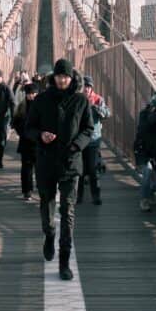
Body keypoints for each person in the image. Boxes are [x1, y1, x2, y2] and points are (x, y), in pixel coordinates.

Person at [25, 58, 93, 281]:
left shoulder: (81, 101)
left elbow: (88, 129)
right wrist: (40, 135)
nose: (63, 80)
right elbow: (29, 128)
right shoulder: (42, 100)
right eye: (59, 76)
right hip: (46, 161)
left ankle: (64, 262)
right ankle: (49, 233)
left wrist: (76, 145)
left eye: (66, 76)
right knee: (46, 204)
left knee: (68, 211)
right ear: (53, 77)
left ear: (71, 77)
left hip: (70, 163)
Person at [76, 74, 109, 206]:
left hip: (93, 140)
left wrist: (98, 109)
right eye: (85, 86)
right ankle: (78, 197)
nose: (86, 89)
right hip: (79, 139)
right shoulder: (77, 99)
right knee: (79, 170)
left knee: (93, 169)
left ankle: (96, 196)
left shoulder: (98, 99)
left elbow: (107, 113)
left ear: (91, 88)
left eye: (89, 86)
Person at [11, 82, 39, 201]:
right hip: (26, 142)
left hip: (39, 142)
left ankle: (40, 187)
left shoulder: (42, 106)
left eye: (34, 93)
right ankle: (27, 191)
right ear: (26, 94)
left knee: (40, 167)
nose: (32, 96)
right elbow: (15, 122)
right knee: (26, 168)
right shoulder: (22, 107)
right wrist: (22, 132)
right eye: (29, 94)